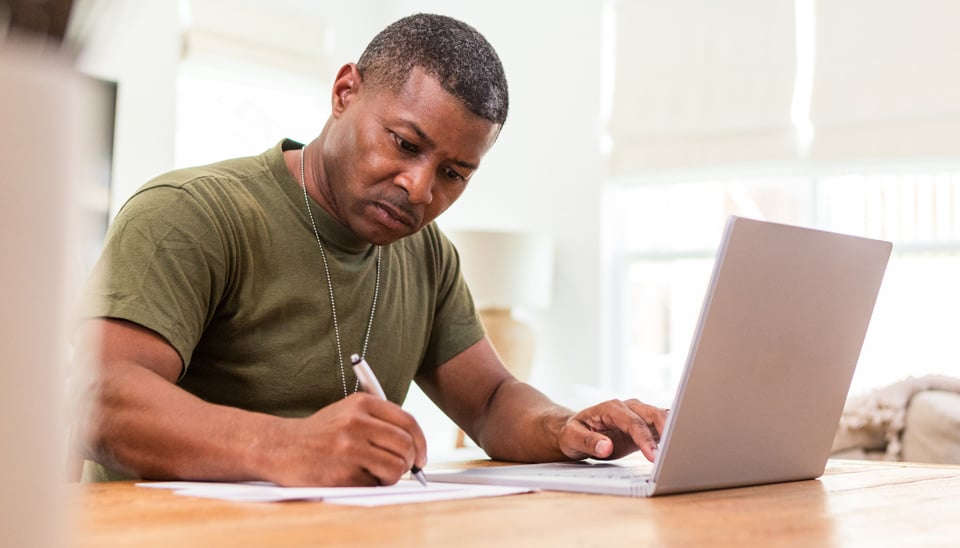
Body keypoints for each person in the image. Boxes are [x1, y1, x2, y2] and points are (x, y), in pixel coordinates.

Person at [75, 13, 668, 487]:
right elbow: (99, 398)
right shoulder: (192, 213)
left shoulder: (426, 253)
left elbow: (489, 401)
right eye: (406, 143)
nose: (420, 188)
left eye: (455, 173)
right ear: (344, 92)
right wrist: (289, 446)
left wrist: (566, 427)